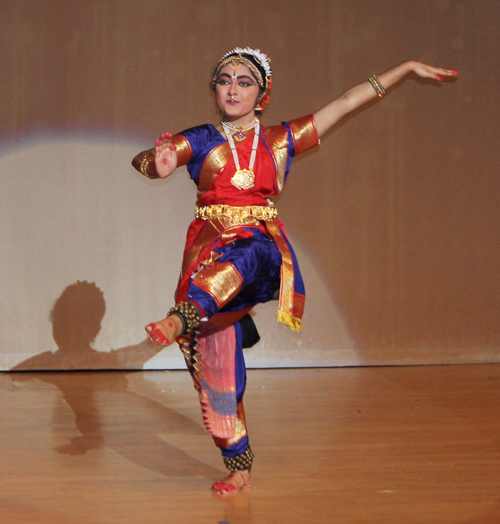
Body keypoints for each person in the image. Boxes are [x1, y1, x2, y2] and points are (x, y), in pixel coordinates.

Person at [132, 47, 458, 493]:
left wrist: (403, 71)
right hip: (207, 253)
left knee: (245, 253)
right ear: (215, 90)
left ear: (261, 95)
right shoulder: (205, 137)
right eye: (224, 80)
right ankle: (239, 464)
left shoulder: (280, 138)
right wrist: (160, 162)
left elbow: (344, 104)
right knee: (216, 373)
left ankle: (178, 319)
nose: (232, 87)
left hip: (262, 249)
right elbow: (151, 163)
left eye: (244, 81)